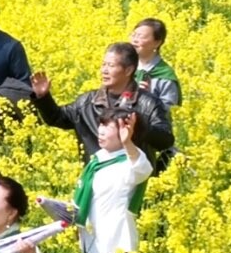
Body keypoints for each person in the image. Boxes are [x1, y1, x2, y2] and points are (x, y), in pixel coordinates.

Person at [69, 107, 150, 253]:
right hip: (91, 243)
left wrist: (128, 143)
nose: (101, 131)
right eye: (101, 124)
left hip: (116, 246)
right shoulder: (97, 160)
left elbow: (143, 169)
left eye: (107, 126)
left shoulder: (128, 163)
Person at [32, 42, 175, 165]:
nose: (104, 70)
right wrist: (43, 97)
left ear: (129, 70)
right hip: (96, 177)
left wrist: (138, 126)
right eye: (103, 65)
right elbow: (56, 118)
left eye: (111, 66)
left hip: (132, 180)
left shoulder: (148, 103)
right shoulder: (87, 102)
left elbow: (165, 140)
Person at [130, 18, 181, 109]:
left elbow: (168, 110)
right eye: (133, 35)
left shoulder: (164, 76)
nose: (135, 40)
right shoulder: (125, 67)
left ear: (157, 43)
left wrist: (147, 98)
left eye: (141, 37)